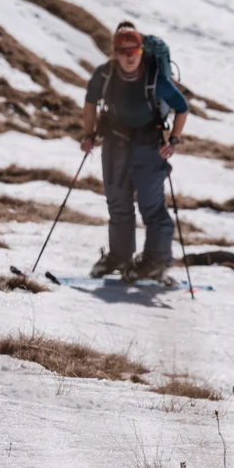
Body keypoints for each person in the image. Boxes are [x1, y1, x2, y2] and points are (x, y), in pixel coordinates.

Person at [79, 23, 189, 283]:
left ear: (141, 51)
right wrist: (88, 134)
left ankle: (156, 261)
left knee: (151, 206)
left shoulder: (154, 78)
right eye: (123, 51)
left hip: (149, 147)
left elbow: (181, 107)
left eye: (134, 50)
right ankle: (120, 256)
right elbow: (90, 103)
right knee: (118, 203)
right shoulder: (104, 75)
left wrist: (173, 139)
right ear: (115, 53)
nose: (130, 56)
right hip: (115, 145)